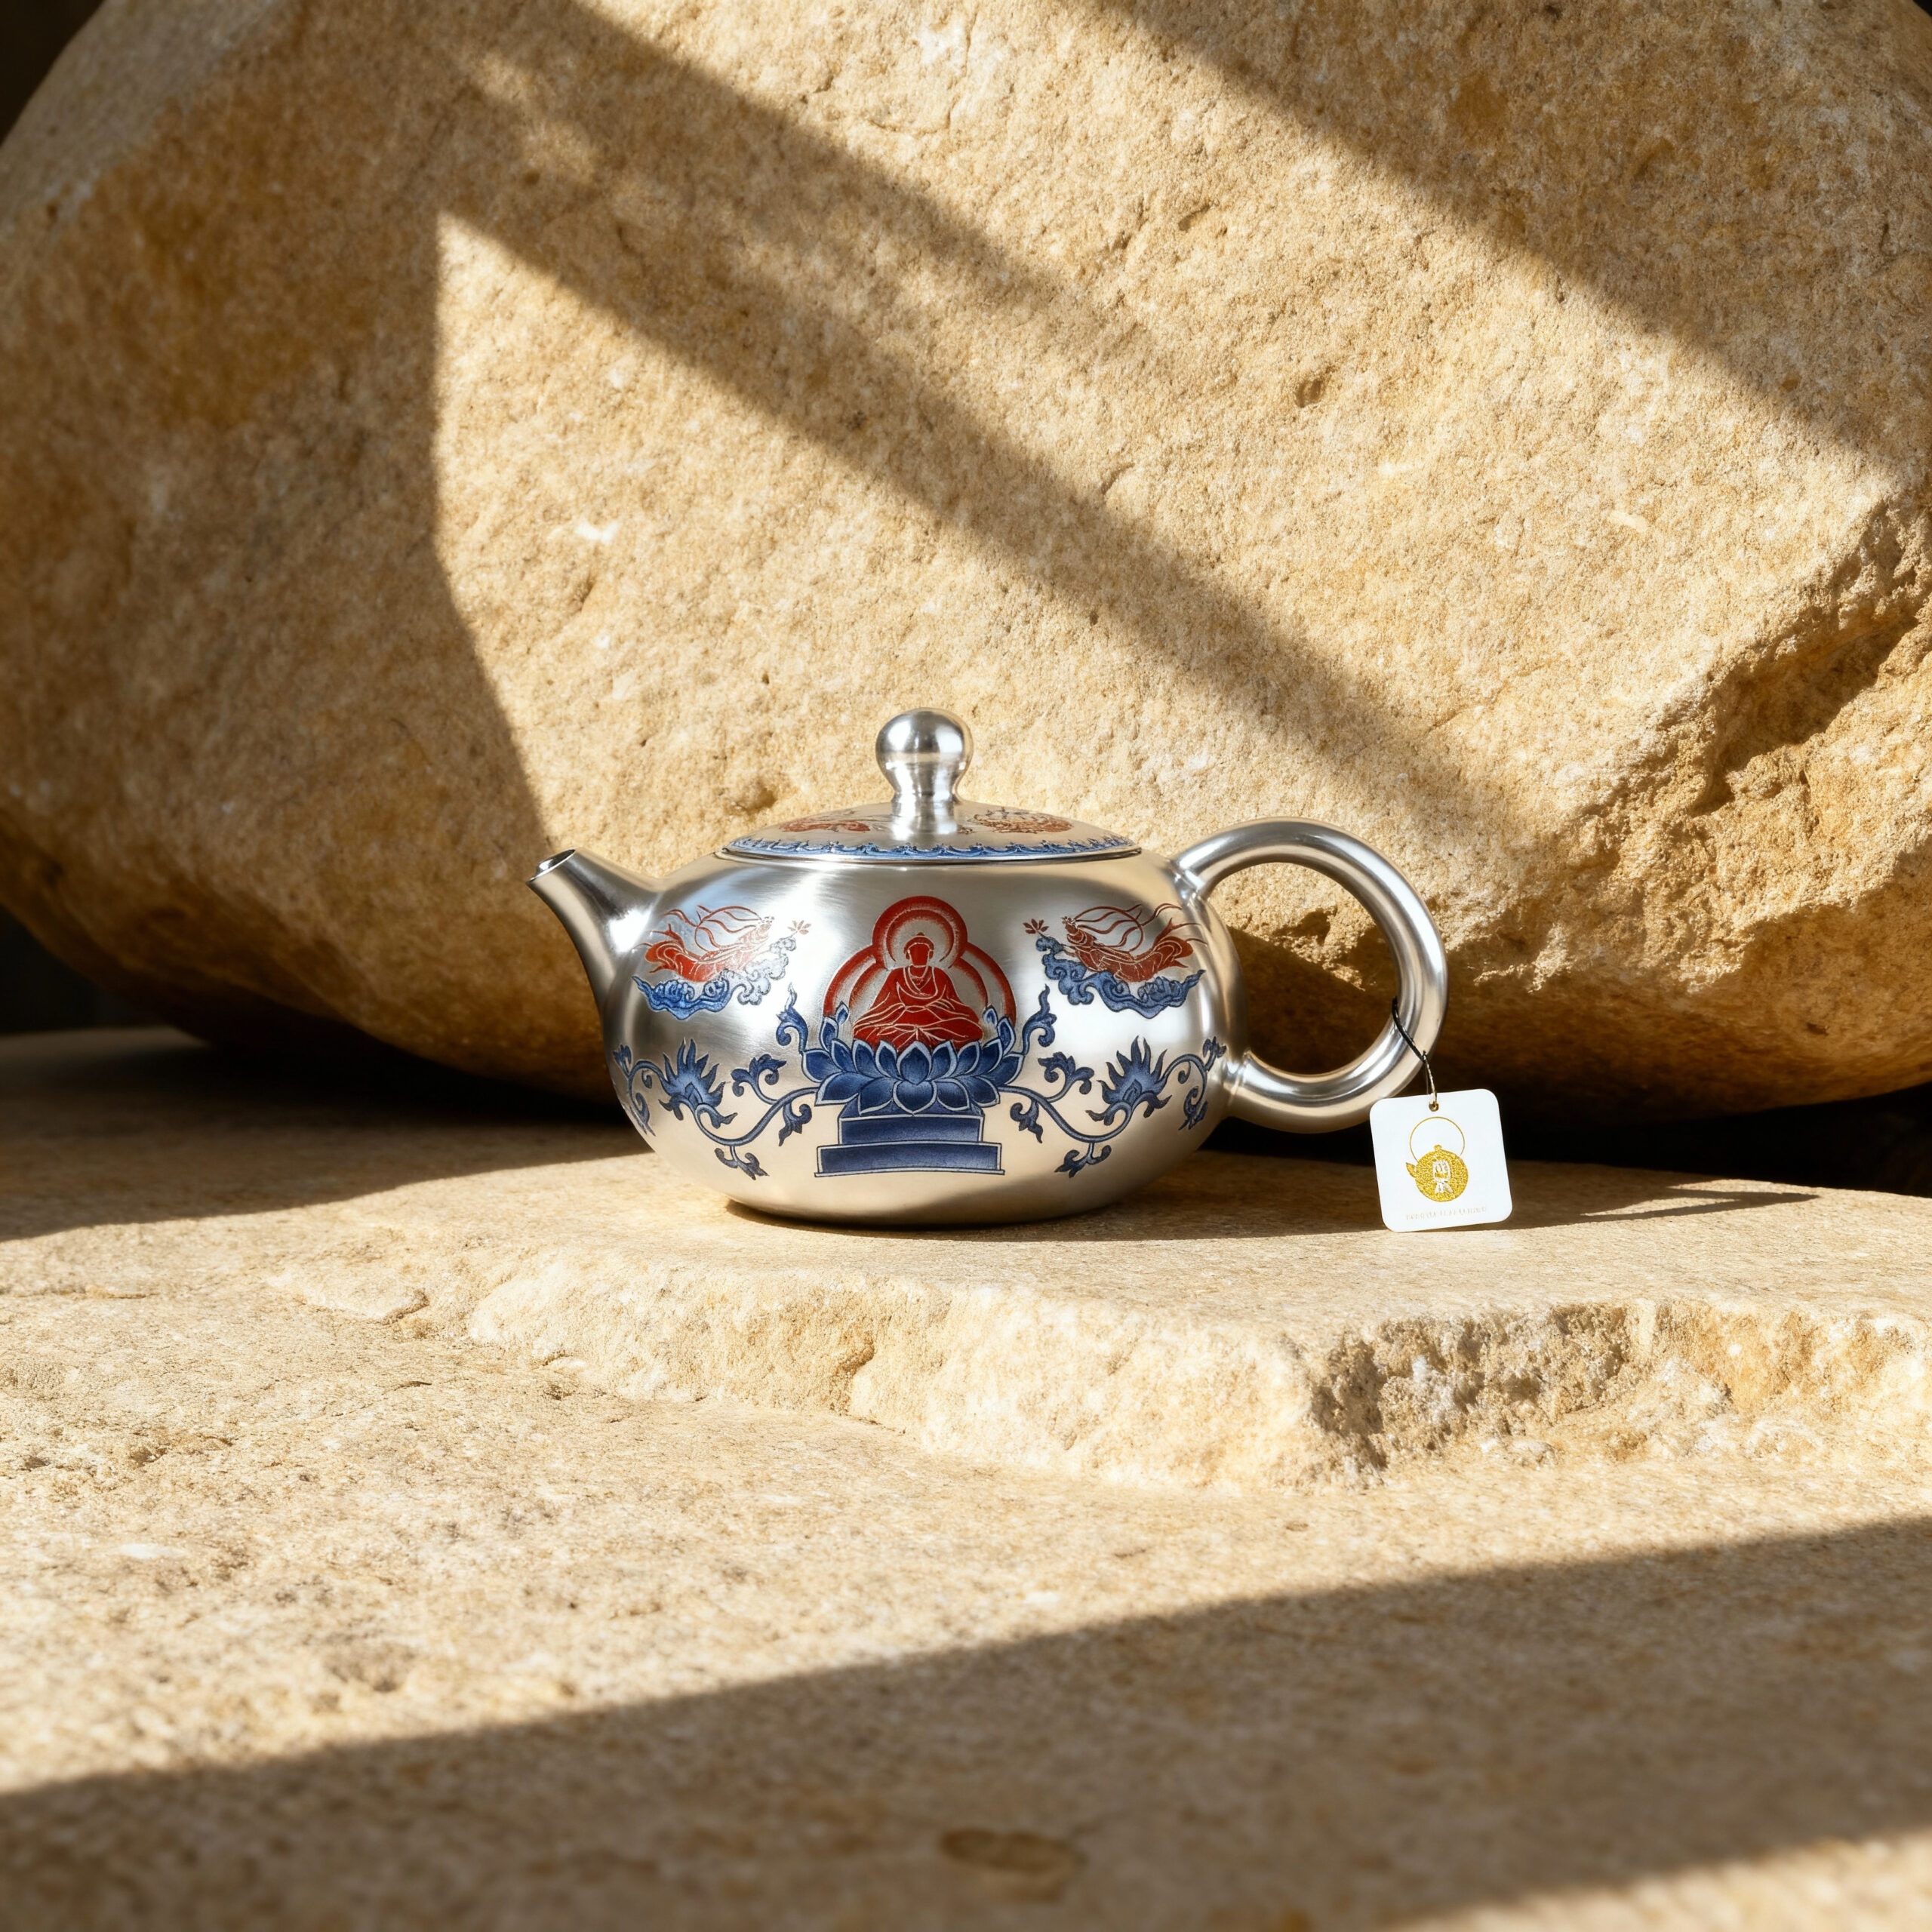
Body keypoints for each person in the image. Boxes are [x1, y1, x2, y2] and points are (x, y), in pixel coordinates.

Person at [851, 934, 985, 1051]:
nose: (919, 955)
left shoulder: (939, 974)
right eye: (914, 951)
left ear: (930, 955)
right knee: (864, 1031)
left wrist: (942, 1007)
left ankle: (923, 1038)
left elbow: (953, 1001)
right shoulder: (897, 974)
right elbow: (882, 1004)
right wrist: (901, 1009)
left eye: (923, 951)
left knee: (972, 1030)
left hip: (934, 1019)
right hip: (903, 1018)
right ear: (908, 954)